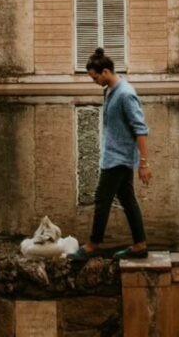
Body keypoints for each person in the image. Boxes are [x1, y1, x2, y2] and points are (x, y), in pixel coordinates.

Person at [68, 48, 152, 261]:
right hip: (113, 156)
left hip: (119, 158)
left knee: (101, 198)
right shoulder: (110, 90)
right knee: (127, 199)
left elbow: (140, 129)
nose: (94, 81)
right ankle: (140, 245)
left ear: (105, 72)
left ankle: (92, 245)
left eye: (95, 77)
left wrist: (143, 163)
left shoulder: (126, 94)